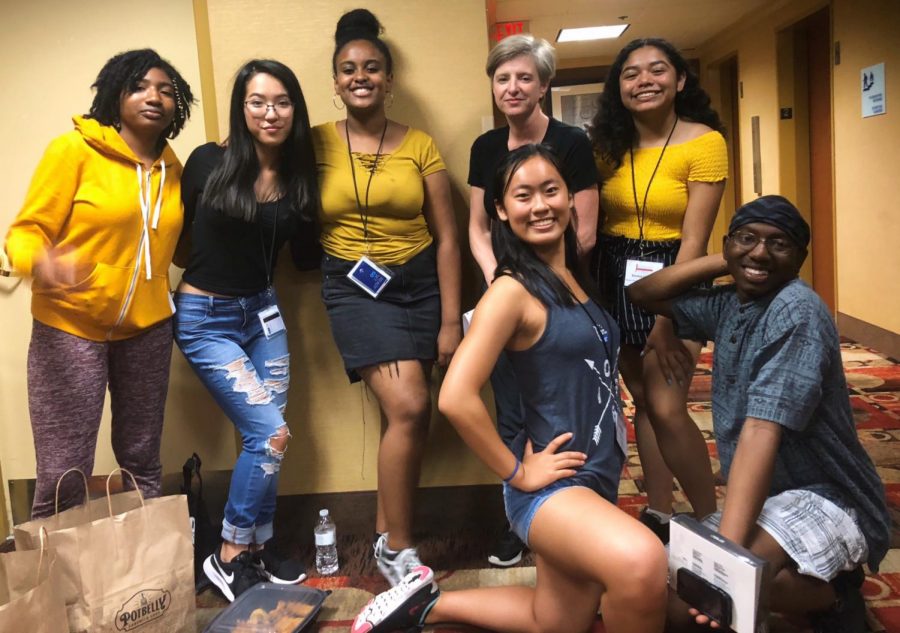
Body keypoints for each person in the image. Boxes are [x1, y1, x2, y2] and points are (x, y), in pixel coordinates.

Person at [352, 145, 668, 633]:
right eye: (523, 196)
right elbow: (455, 396)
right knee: (642, 562)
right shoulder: (512, 291)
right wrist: (517, 472)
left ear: (571, 199)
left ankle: (424, 605)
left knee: (558, 621)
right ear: (501, 209)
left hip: (595, 478)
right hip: (553, 489)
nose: (540, 205)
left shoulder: (575, 277)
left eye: (551, 190)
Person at [626, 195, 890, 632]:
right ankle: (816, 593)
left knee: (718, 591)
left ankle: (833, 600)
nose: (761, 253)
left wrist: (723, 558)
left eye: (778, 244)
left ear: (801, 258)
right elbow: (642, 293)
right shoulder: (729, 303)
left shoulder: (796, 310)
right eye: (748, 239)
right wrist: (729, 258)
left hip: (827, 494)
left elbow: (760, 430)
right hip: (765, 494)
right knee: (669, 592)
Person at [4, 49, 193, 519]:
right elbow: (24, 233)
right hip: (70, 327)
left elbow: (182, 248)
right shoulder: (74, 151)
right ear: (116, 94)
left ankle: (144, 579)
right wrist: (42, 263)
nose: (155, 97)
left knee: (142, 462)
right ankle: (54, 583)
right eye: (140, 86)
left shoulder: (174, 171)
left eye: (166, 90)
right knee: (65, 470)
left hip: (148, 330)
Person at [313, 8, 461, 586]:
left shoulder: (420, 144)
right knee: (410, 407)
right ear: (335, 81)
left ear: (390, 79)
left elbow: (448, 237)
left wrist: (450, 320)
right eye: (348, 69)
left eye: (372, 67)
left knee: (405, 417)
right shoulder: (316, 141)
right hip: (353, 287)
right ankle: (400, 547)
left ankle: (383, 538)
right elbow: (253, 154)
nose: (360, 76)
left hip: (420, 284)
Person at [172, 59, 318, 601]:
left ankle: (260, 543)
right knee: (271, 434)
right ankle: (229, 555)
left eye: (281, 102)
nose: (270, 112)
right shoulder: (207, 162)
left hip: (264, 315)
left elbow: (305, 258)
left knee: (272, 436)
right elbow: (182, 239)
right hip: (206, 318)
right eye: (257, 101)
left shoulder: (300, 179)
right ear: (241, 108)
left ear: (295, 110)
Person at [468, 33, 599, 567]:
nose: (513, 87)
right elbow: (478, 228)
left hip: (562, 293)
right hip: (506, 290)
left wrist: (541, 281)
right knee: (510, 408)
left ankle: (577, 506)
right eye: (503, 78)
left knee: (562, 404)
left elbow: (584, 230)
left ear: (543, 84)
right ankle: (518, 513)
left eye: (524, 77)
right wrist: (503, 280)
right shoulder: (484, 148)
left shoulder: (571, 142)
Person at [589, 37, 728, 539]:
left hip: (678, 271)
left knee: (668, 404)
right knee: (643, 400)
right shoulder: (605, 146)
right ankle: (661, 511)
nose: (644, 80)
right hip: (614, 270)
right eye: (631, 73)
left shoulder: (704, 141)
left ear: (680, 80)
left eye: (657, 70)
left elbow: (696, 238)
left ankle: (714, 521)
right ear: (618, 86)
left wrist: (668, 322)